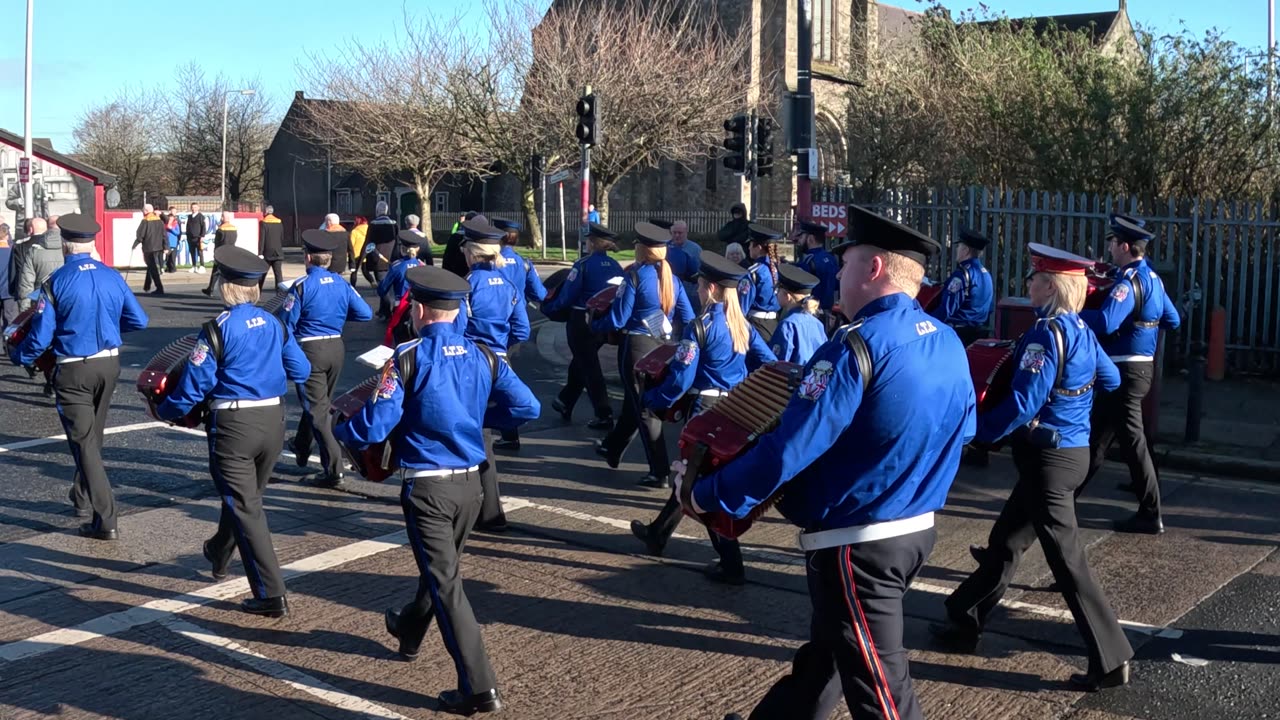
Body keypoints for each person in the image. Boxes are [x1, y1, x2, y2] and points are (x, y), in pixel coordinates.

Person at [696, 205, 975, 720]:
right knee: (825, 659)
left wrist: (706, 493)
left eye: (845, 265)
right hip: (914, 530)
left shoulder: (853, 346)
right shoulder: (947, 339)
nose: (836, 277)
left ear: (872, 270)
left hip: (857, 545)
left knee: (882, 692)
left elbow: (789, 448)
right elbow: (965, 432)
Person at [334, 265, 538, 716]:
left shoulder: (407, 356)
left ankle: (478, 687)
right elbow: (528, 406)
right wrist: (476, 422)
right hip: (471, 486)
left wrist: (346, 428)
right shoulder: (485, 356)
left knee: (448, 586)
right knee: (441, 571)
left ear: (421, 310)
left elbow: (377, 426)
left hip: (427, 488)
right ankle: (409, 628)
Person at [931, 243, 1133, 693]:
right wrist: (1074, 404)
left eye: (1035, 278)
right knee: (1005, 541)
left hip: (1048, 463)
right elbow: (1112, 379)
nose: (1028, 284)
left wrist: (974, 432)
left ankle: (1112, 656)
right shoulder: (1080, 330)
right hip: (1071, 455)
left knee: (1068, 563)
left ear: (1051, 286)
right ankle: (964, 618)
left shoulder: (1045, 335)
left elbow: (1022, 403)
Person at [156, 246, 310, 618]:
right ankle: (220, 548)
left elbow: (195, 385)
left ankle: (272, 593)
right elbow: (301, 370)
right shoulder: (275, 324)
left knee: (246, 506)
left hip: (234, 426)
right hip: (273, 421)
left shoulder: (217, 329)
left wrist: (165, 409)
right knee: (246, 499)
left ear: (226, 287)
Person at [630, 252, 775, 584]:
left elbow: (681, 377)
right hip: (737, 409)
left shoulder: (700, 327)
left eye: (698, 285)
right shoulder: (743, 325)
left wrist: (653, 398)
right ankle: (658, 533)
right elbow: (770, 364)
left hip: (706, 412)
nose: (696, 290)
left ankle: (730, 561)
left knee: (701, 484)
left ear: (710, 288)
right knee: (692, 480)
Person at [8, 214, 149, 539]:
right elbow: (138, 320)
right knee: (93, 435)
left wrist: (20, 356)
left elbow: (41, 336)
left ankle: (106, 517)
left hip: (73, 367)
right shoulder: (111, 275)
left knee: (84, 443)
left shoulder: (57, 281)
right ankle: (82, 496)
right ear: (91, 243)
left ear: (67, 246)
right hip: (109, 364)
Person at [1078, 214, 1181, 534]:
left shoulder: (1128, 283)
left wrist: (1073, 311)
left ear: (1124, 245)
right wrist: (1144, 329)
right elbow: (1173, 319)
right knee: (1099, 439)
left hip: (1122, 368)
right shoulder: (1153, 279)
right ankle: (1063, 498)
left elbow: (1107, 321)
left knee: (1129, 443)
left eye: (1112, 242)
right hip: (1141, 366)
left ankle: (1151, 513)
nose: (1109, 248)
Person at [593, 222, 695, 487]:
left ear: (642, 249)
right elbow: (688, 317)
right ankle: (612, 448)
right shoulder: (672, 279)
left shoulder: (635, 276)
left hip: (636, 346)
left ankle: (658, 471)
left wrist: (593, 325)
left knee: (646, 411)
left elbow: (618, 318)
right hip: (662, 346)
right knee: (635, 403)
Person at [281, 229, 374, 487]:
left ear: (308, 258)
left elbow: (287, 324)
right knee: (319, 403)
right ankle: (301, 444)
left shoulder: (301, 286)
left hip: (310, 349)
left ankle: (334, 468)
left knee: (318, 409)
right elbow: (365, 313)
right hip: (336, 347)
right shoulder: (341, 283)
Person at [458, 220, 531, 530]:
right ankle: (489, 510)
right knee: (483, 436)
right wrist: (502, 347)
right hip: (499, 362)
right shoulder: (510, 285)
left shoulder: (467, 285)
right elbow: (523, 330)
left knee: (474, 436)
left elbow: (457, 328)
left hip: (473, 363)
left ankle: (485, 510)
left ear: (473, 253)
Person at [546, 223, 625, 430]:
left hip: (581, 319)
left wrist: (549, 307)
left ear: (592, 242)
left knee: (589, 365)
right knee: (583, 360)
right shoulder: (616, 266)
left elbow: (567, 296)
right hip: (602, 320)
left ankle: (603, 412)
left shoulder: (583, 265)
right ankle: (565, 401)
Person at [492, 218, 546, 452]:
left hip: (497, 327)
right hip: (517, 324)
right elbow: (540, 293)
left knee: (500, 381)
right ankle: (508, 432)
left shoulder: (493, 262)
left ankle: (509, 432)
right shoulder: (525, 263)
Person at [930, 227, 994, 346]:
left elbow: (947, 309)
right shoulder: (986, 275)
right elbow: (989, 308)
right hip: (979, 335)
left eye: (959, 247)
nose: (957, 250)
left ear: (966, 250)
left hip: (958, 336)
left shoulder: (961, 275)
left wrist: (925, 321)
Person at [769, 264, 828, 365]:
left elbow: (779, 364)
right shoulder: (818, 323)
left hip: (792, 378)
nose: (776, 294)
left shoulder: (787, 325)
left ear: (787, 296)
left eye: (778, 290)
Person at [378, 230, 428, 346]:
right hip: (420, 310)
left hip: (400, 309)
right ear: (418, 249)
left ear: (402, 249)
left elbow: (382, 290)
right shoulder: (423, 266)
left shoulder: (397, 266)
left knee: (401, 344)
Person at [741, 224, 783, 339]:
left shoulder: (754, 272)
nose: (749, 248)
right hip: (775, 323)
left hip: (756, 325)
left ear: (758, 247)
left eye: (750, 244)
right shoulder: (780, 268)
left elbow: (742, 306)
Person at [789, 220, 840, 311]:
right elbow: (836, 285)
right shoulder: (831, 259)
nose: (799, 242)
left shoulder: (809, 260)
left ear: (810, 239)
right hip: (828, 312)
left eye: (801, 237)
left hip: (811, 310)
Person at [16, 218, 60, 311]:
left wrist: (25, 310)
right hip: (67, 302)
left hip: (41, 302)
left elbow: (26, 283)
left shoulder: (33, 251)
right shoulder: (73, 248)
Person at [366, 205, 398, 316]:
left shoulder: (373, 224)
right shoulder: (394, 224)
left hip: (378, 260)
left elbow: (368, 243)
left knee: (383, 286)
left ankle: (388, 310)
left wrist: (364, 260)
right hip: (392, 259)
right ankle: (383, 309)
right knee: (389, 285)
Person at [201, 213, 239, 297]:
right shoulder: (234, 229)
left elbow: (217, 244)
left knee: (215, 272)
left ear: (222, 218)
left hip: (222, 254)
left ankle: (210, 289)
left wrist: (215, 255)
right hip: (231, 253)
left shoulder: (220, 229)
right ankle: (231, 291)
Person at [134, 204, 167, 295]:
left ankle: (159, 287)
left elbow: (140, 235)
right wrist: (166, 246)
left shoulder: (145, 221)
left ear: (146, 211)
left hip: (149, 247)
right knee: (151, 266)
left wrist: (135, 244)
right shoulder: (159, 221)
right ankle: (147, 286)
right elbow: (164, 235)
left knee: (153, 268)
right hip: (158, 247)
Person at [442, 211, 479, 278]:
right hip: (472, 271)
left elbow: (447, 256)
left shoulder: (456, 236)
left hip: (456, 271)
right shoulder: (479, 237)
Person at [259, 205, 286, 289]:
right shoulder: (279, 222)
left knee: (262, 275)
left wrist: (260, 253)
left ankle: (257, 293)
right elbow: (282, 237)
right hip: (278, 252)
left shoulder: (264, 222)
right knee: (278, 276)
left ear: (266, 212)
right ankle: (280, 295)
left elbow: (262, 239)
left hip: (267, 253)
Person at [186, 203, 208, 272]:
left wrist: (202, 236)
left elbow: (203, 227)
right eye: (192, 207)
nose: (193, 209)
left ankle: (202, 266)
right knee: (192, 252)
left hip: (198, 237)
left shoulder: (201, 216)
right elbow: (187, 226)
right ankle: (194, 266)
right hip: (190, 238)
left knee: (200, 252)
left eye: (195, 207)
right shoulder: (189, 216)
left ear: (198, 208)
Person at [349, 216, 370, 285]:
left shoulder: (354, 232)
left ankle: (353, 286)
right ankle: (373, 282)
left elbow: (351, 244)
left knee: (354, 271)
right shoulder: (369, 230)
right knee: (365, 271)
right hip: (367, 254)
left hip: (356, 255)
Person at [0, 224, 14, 326]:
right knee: (10, 319)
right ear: (7, 236)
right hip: (9, 291)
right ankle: (8, 340)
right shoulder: (13, 252)